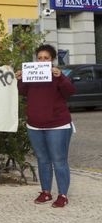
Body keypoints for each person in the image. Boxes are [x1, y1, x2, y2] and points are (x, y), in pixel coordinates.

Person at [16, 44, 75, 208]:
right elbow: (22, 91)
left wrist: (61, 76)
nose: (42, 60)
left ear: (52, 60)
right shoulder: (31, 74)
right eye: (40, 58)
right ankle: (46, 192)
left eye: (46, 58)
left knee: (59, 160)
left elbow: (70, 91)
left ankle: (62, 195)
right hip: (34, 125)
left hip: (58, 125)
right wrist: (19, 78)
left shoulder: (58, 76)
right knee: (42, 160)